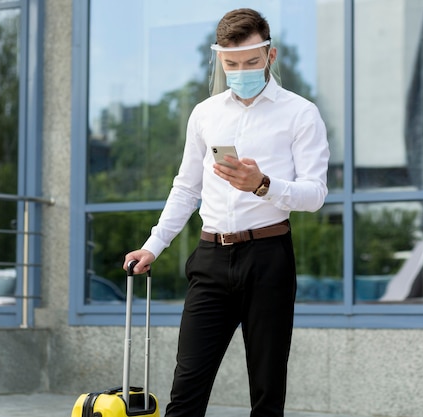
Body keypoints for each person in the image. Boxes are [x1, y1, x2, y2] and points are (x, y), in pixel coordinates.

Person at [123, 8, 329, 417]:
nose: (241, 70)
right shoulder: (205, 113)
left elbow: (315, 194)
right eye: (231, 63)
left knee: (267, 391)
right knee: (186, 389)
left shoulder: (301, 113)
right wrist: (153, 246)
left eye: (251, 62)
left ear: (269, 56)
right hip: (211, 260)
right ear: (220, 58)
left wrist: (263, 184)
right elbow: (186, 187)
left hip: (268, 258)